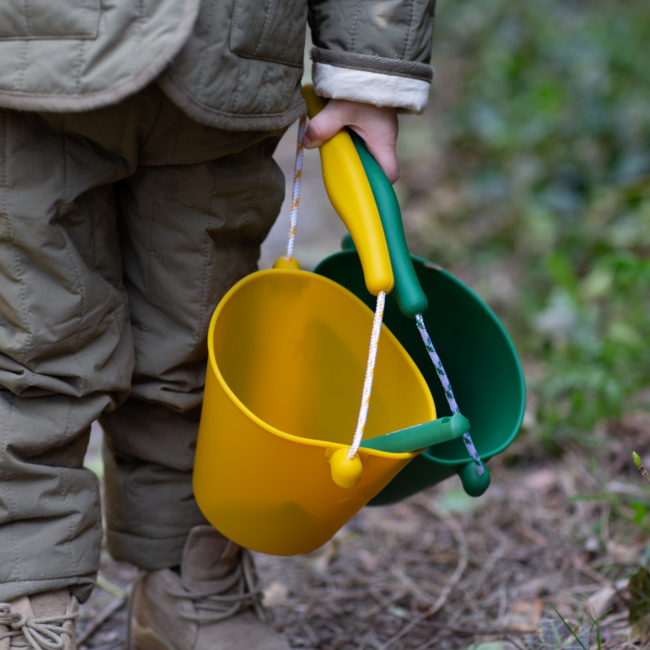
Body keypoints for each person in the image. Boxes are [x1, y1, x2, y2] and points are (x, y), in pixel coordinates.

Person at [0, 0, 436, 647]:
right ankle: (26, 593)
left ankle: (190, 580)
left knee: (200, 345)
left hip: (233, 57)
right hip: (38, 49)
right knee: (35, 343)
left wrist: (369, 65)